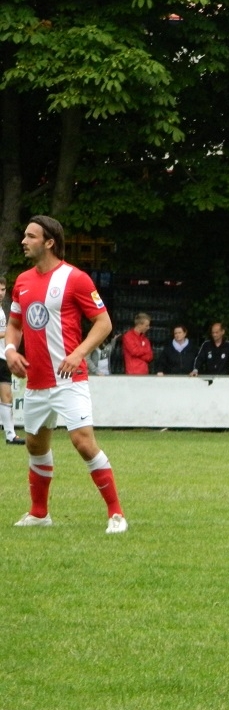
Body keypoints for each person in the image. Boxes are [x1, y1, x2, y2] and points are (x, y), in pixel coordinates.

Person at [4, 215, 127, 533]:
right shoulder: (22, 281)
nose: (24, 241)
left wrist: (78, 353)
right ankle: (39, 514)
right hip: (36, 382)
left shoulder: (76, 278)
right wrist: (11, 350)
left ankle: (116, 514)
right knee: (35, 446)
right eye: (25, 235)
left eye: (31, 236)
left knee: (83, 442)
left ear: (49, 242)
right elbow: (14, 325)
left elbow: (104, 323)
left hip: (69, 379)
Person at [1, 279, 26, 444]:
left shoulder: (2, 311)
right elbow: (6, 332)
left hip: (2, 358)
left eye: (3, 289)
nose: (1, 293)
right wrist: (9, 332)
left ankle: (10, 435)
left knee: (7, 395)